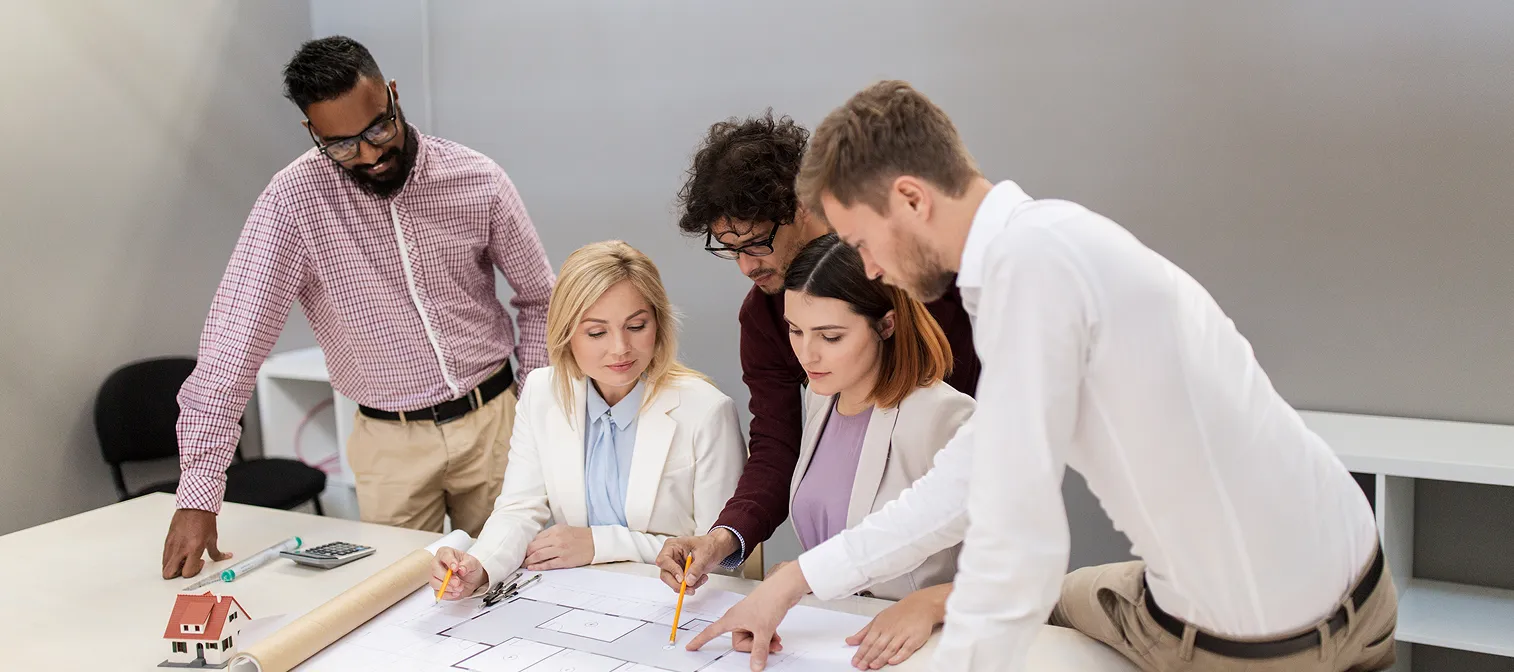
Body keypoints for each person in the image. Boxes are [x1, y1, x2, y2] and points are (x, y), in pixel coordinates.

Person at [689, 81, 1395, 672]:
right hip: (1353, 573)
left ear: (910, 199)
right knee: (1068, 594)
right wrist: (795, 578)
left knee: (1024, 600)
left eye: (864, 243)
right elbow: (969, 477)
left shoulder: (1030, 276)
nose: (868, 269)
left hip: (1261, 640)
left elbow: (1015, 535)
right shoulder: (1048, 241)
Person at [162, 36, 555, 580]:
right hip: (388, 444)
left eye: (378, 129)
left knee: (515, 581)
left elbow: (541, 299)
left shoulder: (475, 178)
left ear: (391, 96)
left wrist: (532, 406)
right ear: (312, 132)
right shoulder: (292, 203)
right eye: (342, 145)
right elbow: (233, 345)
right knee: (400, 599)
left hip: (494, 425)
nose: (369, 155)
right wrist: (199, 493)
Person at [654, 111, 981, 591]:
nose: (746, 265)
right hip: (855, 595)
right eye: (730, 248)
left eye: (758, 243)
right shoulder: (763, 317)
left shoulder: (922, 278)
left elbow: (985, 467)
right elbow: (777, 443)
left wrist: (940, 602)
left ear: (802, 207)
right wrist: (724, 537)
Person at [430, 241, 746, 598]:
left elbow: (719, 557)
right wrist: (480, 565)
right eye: (597, 332)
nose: (619, 348)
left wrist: (601, 544)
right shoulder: (541, 392)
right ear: (566, 334)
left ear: (659, 324)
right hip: (580, 597)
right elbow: (519, 508)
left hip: (673, 603)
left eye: (637, 326)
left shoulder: (706, 411)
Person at [781, 233, 974, 670]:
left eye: (830, 336)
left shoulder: (946, 416)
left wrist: (930, 604)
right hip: (836, 636)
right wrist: (803, 577)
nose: (807, 353)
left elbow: (1018, 568)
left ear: (885, 325)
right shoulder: (820, 395)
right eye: (795, 330)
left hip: (926, 649)